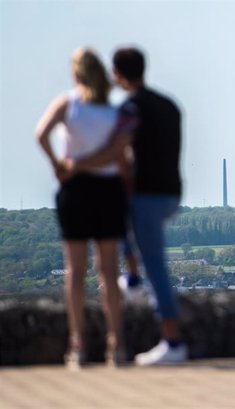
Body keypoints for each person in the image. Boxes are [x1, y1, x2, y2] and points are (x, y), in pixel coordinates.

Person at [65, 47, 188, 365]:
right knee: (118, 216)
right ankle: (131, 279)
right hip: (172, 193)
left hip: (147, 195)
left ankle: (172, 340)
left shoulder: (132, 108)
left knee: (154, 264)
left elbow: (117, 149)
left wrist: (78, 165)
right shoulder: (169, 105)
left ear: (118, 74)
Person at [36, 48, 126, 369]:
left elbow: (40, 133)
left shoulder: (68, 103)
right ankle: (116, 344)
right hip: (108, 189)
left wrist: (62, 165)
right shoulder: (113, 112)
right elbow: (119, 155)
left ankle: (78, 345)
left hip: (75, 190)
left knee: (76, 271)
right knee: (109, 271)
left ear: (76, 74)